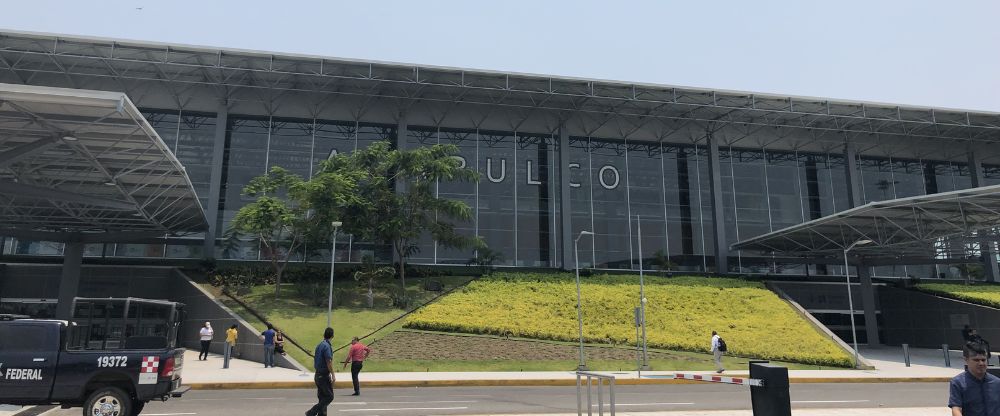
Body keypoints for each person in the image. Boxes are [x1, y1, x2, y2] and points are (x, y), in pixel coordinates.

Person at [948, 342, 1000, 416]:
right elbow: (956, 409)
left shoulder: (997, 383)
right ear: (966, 360)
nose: (981, 363)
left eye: (983, 360)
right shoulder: (958, 383)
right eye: (976, 360)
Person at [306, 327, 336, 416]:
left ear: (324, 335)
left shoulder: (319, 345)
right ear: (332, 336)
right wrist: (333, 375)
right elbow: (328, 362)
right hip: (323, 376)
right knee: (329, 396)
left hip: (318, 375)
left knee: (322, 398)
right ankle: (312, 412)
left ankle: (321, 414)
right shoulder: (327, 346)